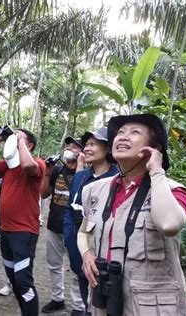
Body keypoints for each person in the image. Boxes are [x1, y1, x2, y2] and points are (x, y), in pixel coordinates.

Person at [78, 114, 186, 316]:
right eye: (120, 133)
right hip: (104, 299)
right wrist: (87, 253)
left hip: (150, 307)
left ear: (153, 148)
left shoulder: (172, 191)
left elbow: (170, 224)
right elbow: (83, 231)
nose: (122, 137)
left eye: (134, 132)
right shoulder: (94, 191)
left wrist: (156, 170)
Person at [0, 128, 46, 316]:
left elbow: (28, 166)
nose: (14, 138)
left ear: (30, 146)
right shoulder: (7, 166)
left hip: (24, 232)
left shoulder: (38, 164)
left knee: (23, 280)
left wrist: (18, 140)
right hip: (6, 231)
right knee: (13, 277)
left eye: (20, 137)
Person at [63, 127, 118, 315]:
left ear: (108, 149)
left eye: (93, 144)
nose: (86, 148)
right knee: (82, 282)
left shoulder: (117, 179)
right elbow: (70, 211)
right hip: (78, 241)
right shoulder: (80, 177)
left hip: (105, 247)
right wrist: (70, 241)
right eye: (86, 144)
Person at [40, 136, 86, 315]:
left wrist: (81, 165)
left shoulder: (87, 173)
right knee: (54, 264)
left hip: (75, 228)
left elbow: (80, 194)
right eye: (68, 145)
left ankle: (79, 306)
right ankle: (57, 298)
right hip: (54, 225)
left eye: (75, 147)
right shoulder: (57, 170)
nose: (70, 149)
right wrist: (47, 172)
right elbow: (44, 194)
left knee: (77, 267)